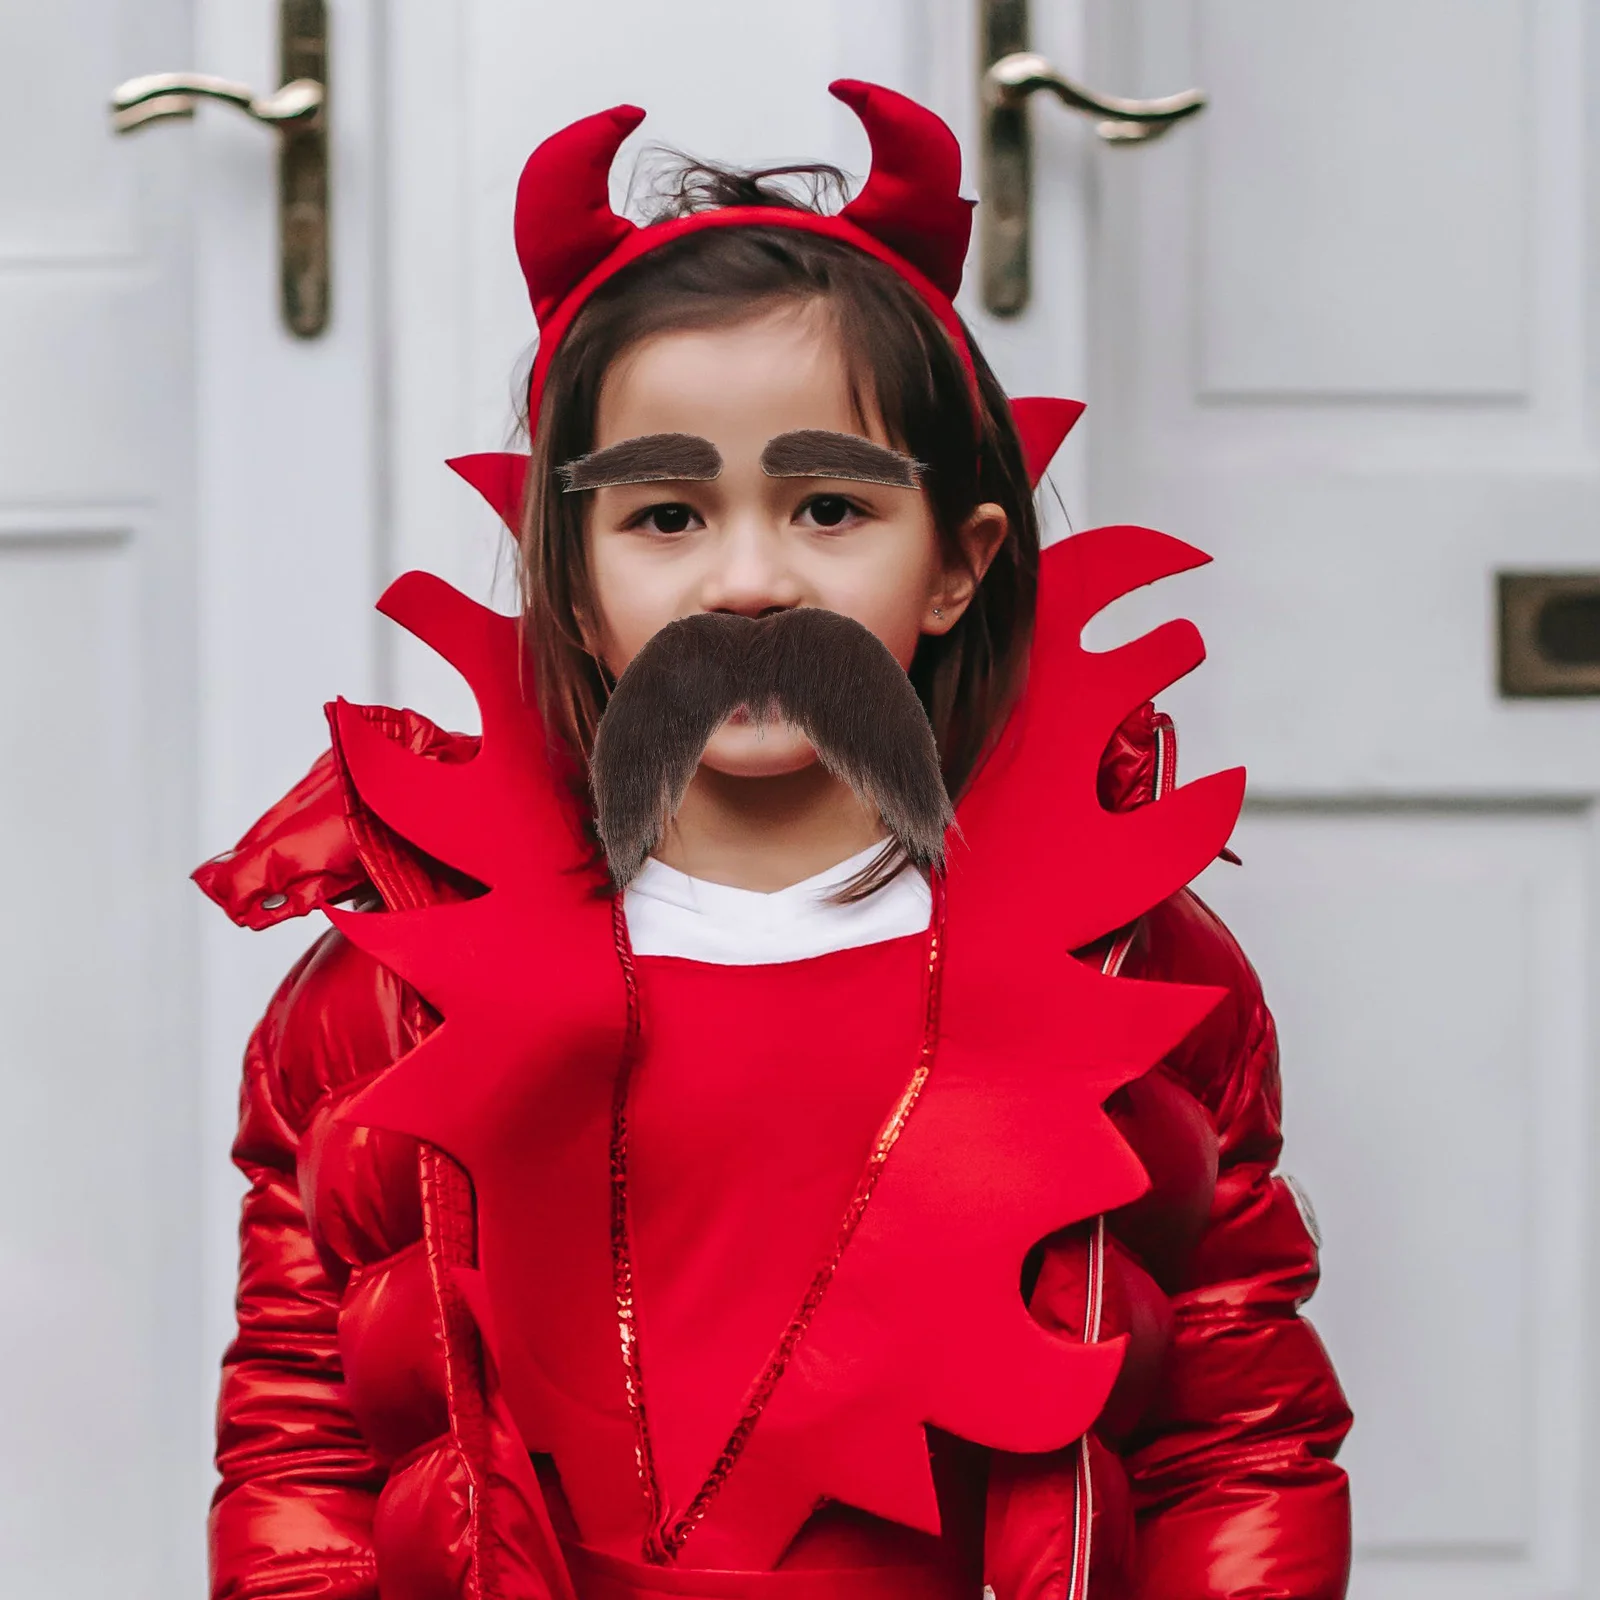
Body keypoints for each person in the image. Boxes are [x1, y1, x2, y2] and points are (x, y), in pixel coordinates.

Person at [196, 80, 1351, 1600]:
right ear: (575, 578)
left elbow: (1235, 1438)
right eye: (666, 516)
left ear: (957, 564)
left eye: (827, 508)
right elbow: (306, 1443)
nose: (749, 583)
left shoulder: (1135, 972)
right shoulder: (390, 994)